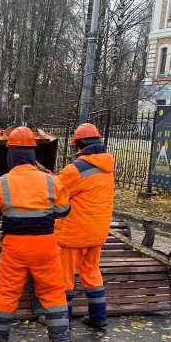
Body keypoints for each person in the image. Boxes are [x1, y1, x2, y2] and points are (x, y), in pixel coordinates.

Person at [0, 126, 73, 342]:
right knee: (54, 292)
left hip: (15, 247)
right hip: (46, 246)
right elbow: (64, 211)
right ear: (32, 154)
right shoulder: (50, 181)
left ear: (10, 155)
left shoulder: (1, 183)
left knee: (7, 292)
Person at [55, 122, 115, 329]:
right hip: (97, 232)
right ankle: (99, 317)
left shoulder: (75, 169)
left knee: (65, 278)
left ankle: (63, 322)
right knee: (91, 273)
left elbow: (57, 194)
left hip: (73, 234)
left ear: (77, 145)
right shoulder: (107, 168)